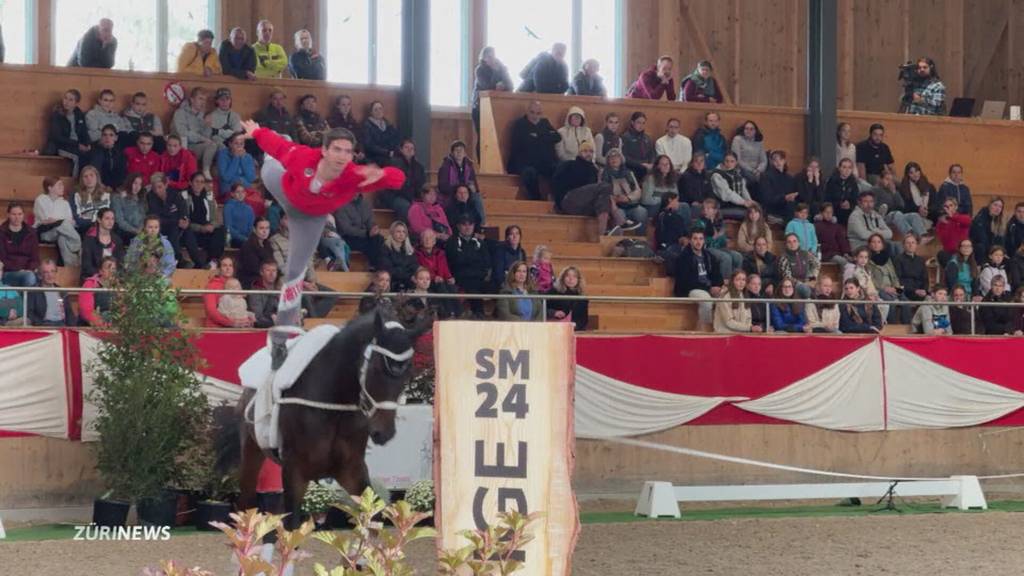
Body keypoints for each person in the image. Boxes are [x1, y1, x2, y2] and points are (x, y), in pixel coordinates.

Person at [244, 117, 404, 360]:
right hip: (286, 192)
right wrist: (257, 132)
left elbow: (398, 179)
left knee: (295, 274)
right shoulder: (302, 157)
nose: (342, 156)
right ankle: (270, 159)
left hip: (309, 219)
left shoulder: (354, 176)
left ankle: (280, 339)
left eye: (348, 152)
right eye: (337, 150)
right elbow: (276, 145)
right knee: (270, 166)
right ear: (324, 150)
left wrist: (382, 173)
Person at [507, 101, 561, 200]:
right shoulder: (519, 124)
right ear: (527, 112)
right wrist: (545, 136)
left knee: (559, 168)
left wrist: (538, 136)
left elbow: (557, 137)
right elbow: (522, 143)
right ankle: (536, 199)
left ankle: (557, 198)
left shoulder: (545, 122)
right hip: (525, 162)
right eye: (532, 112)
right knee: (529, 173)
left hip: (544, 161)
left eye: (538, 113)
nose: (535, 116)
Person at [673, 228, 723, 328]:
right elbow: (686, 282)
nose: (698, 242)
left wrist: (718, 287)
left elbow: (717, 275)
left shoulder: (709, 256)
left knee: (727, 297)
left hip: (708, 288)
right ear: (690, 240)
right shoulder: (684, 258)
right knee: (706, 300)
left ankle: (721, 329)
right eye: (695, 239)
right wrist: (709, 289)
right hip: (690, 289)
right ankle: (704, 328)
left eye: (701, 239)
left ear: (704, 240)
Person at [471, 46, 513, 157]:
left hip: (497, 107)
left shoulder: (501, 68)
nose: (492, 59)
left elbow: (510, 85)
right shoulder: (480, 70)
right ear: (483, 58)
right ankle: (481, 164)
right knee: (482, 137)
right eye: (489, 56)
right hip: (480, 107)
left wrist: (502, 78)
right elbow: (487, 87)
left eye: (493, 55)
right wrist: (496, 77)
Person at [447, 214, 491, 317]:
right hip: (460, 278)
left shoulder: (479, 242)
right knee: (473, 287)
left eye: (470, 224)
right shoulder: (452, 242)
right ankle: (478, 314)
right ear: (458, 226)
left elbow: (487, 262)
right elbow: (452, 263)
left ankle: (479, 314)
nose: (467, 227)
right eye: (464, 224)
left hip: (479, 278)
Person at [34, 177, 81, 266]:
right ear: (50, 188)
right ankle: (77, 243)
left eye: (62, 185)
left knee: (62, 238)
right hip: (45, 232)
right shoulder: (41, 199)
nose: (62, 187)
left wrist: (58, 221)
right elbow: (46, 220)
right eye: (59, 185)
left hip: (62, 232)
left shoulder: (65, 203)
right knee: (63, 224)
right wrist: (61, 221)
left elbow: (70, 221)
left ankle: (71, 266)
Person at [183, 173, 226, 268]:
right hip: (193, 231)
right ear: (190, 183)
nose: (199, 184)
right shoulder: (184, 197)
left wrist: (212, 226)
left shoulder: (209, 196)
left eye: (202, 182)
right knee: (186, 232)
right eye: (196, 181)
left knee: (221, 230)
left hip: (207, 230)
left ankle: (212, 261)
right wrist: (200, 228)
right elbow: (184, 221)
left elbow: (216, 219)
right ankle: (199, 264)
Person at [44, 89, 91, 176]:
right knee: (77, 157)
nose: (67, 102)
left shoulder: (79, 114)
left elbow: (84, 132)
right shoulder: (57, 115)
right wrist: (77, 145)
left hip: (76, 145)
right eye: (65, 98)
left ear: (76, 103)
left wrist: (87, 144)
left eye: (70, 100)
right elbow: (57, 137)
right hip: (62, 146)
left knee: (92, 155)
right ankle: (75, 182)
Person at [415, 229, 460, 319]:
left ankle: (457, 314)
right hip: (427, 280)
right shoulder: (417, 253)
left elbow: (445, 268)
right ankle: (449, 314)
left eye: (430, 238)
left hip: (440, 280)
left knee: (451, 286)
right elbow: (421, 269)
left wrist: (450, 277)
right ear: (421, 240)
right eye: (425, 238)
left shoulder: (440, 253)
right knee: (441, 286)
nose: (427, 240)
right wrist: (434, 277)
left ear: (434, 241)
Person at [871, 168, 927, 239]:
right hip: (883, 217)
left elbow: (901, 205)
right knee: (897, 214)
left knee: (914, 215)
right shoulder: (874, 190)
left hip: (896, 215)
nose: (889, 182)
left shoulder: (893, 190)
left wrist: (894, 192)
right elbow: (872, 207)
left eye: (891, 180)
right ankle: (909, 235)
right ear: (880, 179)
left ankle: (922, 236)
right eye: (887, 179)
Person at [694, 197, 741, 279]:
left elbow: (723, 242)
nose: (706, 210)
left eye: (709, 208)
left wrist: (720, 238)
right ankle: (724, 284)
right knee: (726, 258)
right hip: (707, 248)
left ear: (715, 211)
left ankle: (736, 280)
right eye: (705, 208)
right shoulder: (700, 223)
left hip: (719, 248)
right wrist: (714, 238)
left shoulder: (719, 222)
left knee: (737, 256)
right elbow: (700, 241)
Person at [437, 141, 484, 224]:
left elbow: (474, 184)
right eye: (456, 150)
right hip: (452, 194)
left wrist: (473, 189)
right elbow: (442, 186)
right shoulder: (445, 166)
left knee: (477, 197)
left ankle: (481, 224)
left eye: (461, 150)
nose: (459, 153)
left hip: (466, 193)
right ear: (452, 153)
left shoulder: (469, 166)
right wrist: (458, 189)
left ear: (465, 153)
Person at [334, 192, 384, 269]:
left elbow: (370, 221)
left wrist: (373, 228)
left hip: (365, 235)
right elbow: (346, 228)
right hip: (348, 237)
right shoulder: (341, 205)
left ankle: (377, 266)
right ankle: (375, 266)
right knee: (370, 244)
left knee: (379, 239)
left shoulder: (365, 204)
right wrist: (366, 233)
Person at [867, 233, 909, 323]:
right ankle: (892, 327)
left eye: (879, 242)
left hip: (892, 288)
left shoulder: (887, 258)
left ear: (882, 244)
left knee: (906, 301)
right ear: (869, 244)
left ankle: (906, 327)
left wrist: (896, 287)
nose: (876, 244)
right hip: (879, 289)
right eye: (873, 242)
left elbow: (894, 276)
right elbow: (870, 279)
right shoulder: (867, 260)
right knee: (891, 302)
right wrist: (885, 289)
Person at [380, 138, 424, 223]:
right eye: (406, 147)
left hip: (411, 196)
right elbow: (394, 185)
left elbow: (420, 185)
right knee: (405, 207)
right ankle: (405, 231)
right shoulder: (393, 162)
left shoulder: (419, 167)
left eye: (412, 148)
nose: (409, 150)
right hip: (394, 196)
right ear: (401, 149)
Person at [204, 256, 253, 328]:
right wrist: (231, 323)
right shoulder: (211, 286)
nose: (228, 268)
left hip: (237, 327)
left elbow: (240, 308)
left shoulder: (236, 284)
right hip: (216, 328)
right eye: (224, 265)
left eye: (230, 265)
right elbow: (212, 312)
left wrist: (247, 319)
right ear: (219, 269)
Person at [79, 207, 124, 282]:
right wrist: (102, 276)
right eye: (107, 218)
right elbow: (87, 266)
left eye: (112, 219)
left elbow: (120, 263)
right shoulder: (89, 239)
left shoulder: (117, 240)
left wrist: (113, 276)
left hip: (113, 278)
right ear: (99, 220)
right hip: (93, 277)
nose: (110, 222)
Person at [0, 203, 39, 287]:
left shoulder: (31, 232)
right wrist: (18, 270)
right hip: (8, 272)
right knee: (29, 277)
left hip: (27, 271)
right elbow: (2, 258)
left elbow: (34, 258)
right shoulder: (1, 232)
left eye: (20, 214)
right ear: (8, 215)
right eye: (14, 214)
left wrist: (27, 269)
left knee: (34, 276)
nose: (17, 217)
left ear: (23, 215)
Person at [28, 260, 75, 327]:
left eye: (52, 271)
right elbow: (29, 313)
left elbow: (69, 313)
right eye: (46, 272)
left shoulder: (62, 291)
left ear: (56, 273)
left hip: (62, 325)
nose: (50, 275)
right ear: (40, 275)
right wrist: (40, 325)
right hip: (44, 325)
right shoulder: (33, 290)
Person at [709, 152, 753, 220]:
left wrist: (749, 201)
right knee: (750, 215)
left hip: (738, 205)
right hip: (724, 206)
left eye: (732, 161)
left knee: (757, 211)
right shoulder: (717, 175)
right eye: (727, 161)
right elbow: (727, 194)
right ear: (723, 161)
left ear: (736, 163)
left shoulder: (737, 173)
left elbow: (743, 190)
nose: (729, 164)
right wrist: (743, 202)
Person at [71, 165, 112, 234]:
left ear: (97, 177)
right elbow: (76, 217)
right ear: (82, 179)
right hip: (85, 227)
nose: (89, 179)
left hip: (106, 226)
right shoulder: (75, 195)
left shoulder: (107, 194)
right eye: (85, 176)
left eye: (91, 175)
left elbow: (112, 214)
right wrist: (93, 222)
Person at [216, 133, 257, 201]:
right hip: (229, 190)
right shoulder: (222, 154)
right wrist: (236, 158)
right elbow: (226, 178)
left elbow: (251, 178)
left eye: (241, 144)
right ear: (230, 144)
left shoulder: (247, 156)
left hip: (245, 190)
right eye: (236, 143)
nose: (239, 146)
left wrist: (243, 159)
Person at [778, 232, 820, 299]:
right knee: (805, 290)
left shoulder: (806, 254)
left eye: (794, 241)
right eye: (789, 242)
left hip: (806, 281)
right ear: (786, 244)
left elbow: (817, 264)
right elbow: (788, 277)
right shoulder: (784, 258)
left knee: (821, 287)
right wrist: (804, 284)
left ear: (799, 243)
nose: (792, 244)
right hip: (793, 285)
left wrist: (812, 277)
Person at [79, 257, 117, 328]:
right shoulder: (89, 284)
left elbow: (122, 308)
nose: (111, 271)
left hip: (112, 325)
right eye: (108, 268)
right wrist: (102, 324)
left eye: (113, 269)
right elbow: (86, 311)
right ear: (100, 271)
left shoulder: (118, 287)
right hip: (91, 326)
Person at [896, 162, 938, 227]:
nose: (915, 174)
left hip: (929, 213)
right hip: (914, 214)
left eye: (916, 171)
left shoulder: (929, 186)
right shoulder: (904, 188)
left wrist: (927, 210)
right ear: (907, 175)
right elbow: (905, 207)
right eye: (911, 173)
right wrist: (918, 209)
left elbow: (935, 204)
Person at [380, 221, 418, 291]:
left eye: (404, 232)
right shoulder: (385, 248)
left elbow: (414, 266)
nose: (401, 234)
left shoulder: (409, 249)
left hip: (408, 282)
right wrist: (408, 275)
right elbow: (388, 269)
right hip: (392, 282)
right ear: (392, 233)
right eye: (398, 231)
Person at [547, 266, 588, 331]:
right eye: (567, 276)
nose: (571, 279)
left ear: (578, 280)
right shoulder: (553, 292)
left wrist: (574, 327)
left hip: (574, 330)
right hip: (554, 329)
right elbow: (542, 308)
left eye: (574, 276)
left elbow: (583, 320)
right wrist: (553, 312)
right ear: (563, 278)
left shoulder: (582, 298)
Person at [761, 150, 798, 222]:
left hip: (787, 205)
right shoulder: (766, 176)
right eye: (775, 160)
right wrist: (784, 198)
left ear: (784, 161)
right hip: (773, 206)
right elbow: (767, 199)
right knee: (790, 207)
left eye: (780, 159)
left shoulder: (789, 178)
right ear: (771, 162)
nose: (778, 162)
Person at [361, 101, 401, 166]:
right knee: (394, 162)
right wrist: (387, 153)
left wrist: (394, 150)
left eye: (380, 108)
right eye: (375, 110)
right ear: (371, 112)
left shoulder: (388, 124)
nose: (379, 111)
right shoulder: (367, 126)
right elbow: (369, 146)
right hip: (374, 156)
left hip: (389, 154)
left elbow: (396, 138)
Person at [655, 193, 690, 267]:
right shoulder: (662, 215)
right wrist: (680, 239)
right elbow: (662, 236)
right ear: (670, 200)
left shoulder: (677, 217)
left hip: (676, 246)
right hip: (666, 247)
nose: (678, 204)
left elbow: (683, 233)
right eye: (677, 200)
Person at [970, 197, 1009, 264]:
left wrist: (1001, 252)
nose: (997, 208)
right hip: (979, 250)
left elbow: (1001, 240)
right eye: (995, 205)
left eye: (1000, 207)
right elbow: (982, 239)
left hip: (991, 251)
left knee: (1006, 259)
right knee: (981, 247)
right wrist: (993, 253)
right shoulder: (980, 219)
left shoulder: (999, 221)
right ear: (989, 205)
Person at [87, 124, 127, 189]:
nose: (107, 138)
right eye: (104, 135)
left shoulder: (120, 154)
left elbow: (122, 174)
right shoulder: (95, 152)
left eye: (111, 135)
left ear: (116, 138)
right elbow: (93, 172)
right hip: (98, 187)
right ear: (101, 137)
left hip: (115, 189)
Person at [238, 217, 274, 288]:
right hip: (251, 281)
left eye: (267, 228)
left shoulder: (268, 245)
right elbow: (254, 269)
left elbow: (272, 263)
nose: (265, 231)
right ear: (254, 229)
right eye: (261, 228)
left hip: (266, 278)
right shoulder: (248, 246)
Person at [936, 197, 972, 268]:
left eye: (951, 205)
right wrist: (944, 224)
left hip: (963, 252)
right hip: (950, 253)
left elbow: (968, 221)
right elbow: (944, 240)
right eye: (946, 206)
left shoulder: (961, 218)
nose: (948, 208)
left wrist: (952, 217)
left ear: (956, 207)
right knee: (941, 254)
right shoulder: (941, 223)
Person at [731, 120, 767, 189]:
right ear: (743, 130)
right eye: (746, 128)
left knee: (767, 179)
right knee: (752, 179)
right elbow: (737, 160)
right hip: (743, 169)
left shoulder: (759, 142)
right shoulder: (738, 139)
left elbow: (764, 160)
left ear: (755, 131)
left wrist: (759, 170)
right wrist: (752, 170)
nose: (748, 131)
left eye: (751, 129)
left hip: (757, 171)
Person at [621, 112, 656, 181]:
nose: (641, 125)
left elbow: (652, 153)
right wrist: (641, 164)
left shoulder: (647, 138)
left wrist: (652, 164)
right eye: (638, 122)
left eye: (643, 123)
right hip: (633, 167)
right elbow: (625, 157)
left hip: (648, 167)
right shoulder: (625, 137)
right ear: (632, 122)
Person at [815, 202, 852, 268]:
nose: (828, 214)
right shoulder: (816, 226)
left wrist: (846, 252)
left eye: (830, 212)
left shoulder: (836, 226)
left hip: (837, 253)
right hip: (826, 254)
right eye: (826, 212)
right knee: (843, 262)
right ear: (821, 213)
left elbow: (842, 241)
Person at [894, 233, 929, 302]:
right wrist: (914, 290)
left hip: (921, 291)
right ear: (903, 245)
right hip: (906, 291)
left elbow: (925, 278)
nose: (911, 245)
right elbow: (899, 280)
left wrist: (924, 290)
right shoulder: (898, 259)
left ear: (916, 245)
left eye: (913, 243)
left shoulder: (920, 260)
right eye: (908, 243)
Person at [826, 158, 860, 225]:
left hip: (849, 210)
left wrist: (849, 204)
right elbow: (827, 198)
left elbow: (855, 197)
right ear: (839, 168)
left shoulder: (853, 182)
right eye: (844, 167)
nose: (847, 170)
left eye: (849, 167)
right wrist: (839, 204)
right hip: (835, 209)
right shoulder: (832, 181)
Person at [248, 259, 281, 328]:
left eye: (274, 270)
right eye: (268, 270)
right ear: (261, 272)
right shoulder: (255, 290)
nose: (271, 274)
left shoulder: (281, 287)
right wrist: (272, 317)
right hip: (264, 328)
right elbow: (258, 316)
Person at [491, 225, 525, 291]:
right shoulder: (500, 251)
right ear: (507, 237)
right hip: (502, 285)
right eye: (511, 234)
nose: (515, 236)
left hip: (517, 284)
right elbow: (498, 274)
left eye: (517, 233)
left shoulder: (522, 252)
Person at [224, 183, 256, 248]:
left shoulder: (249, 208)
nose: (241, 194)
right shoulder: (228, 207)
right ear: (232, 194)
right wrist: (244, 239)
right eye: (238, 192)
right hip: (234, 239)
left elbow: (252, 226)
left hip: (248, 239)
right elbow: (228, 228)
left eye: (243, 191)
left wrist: (249, 238)